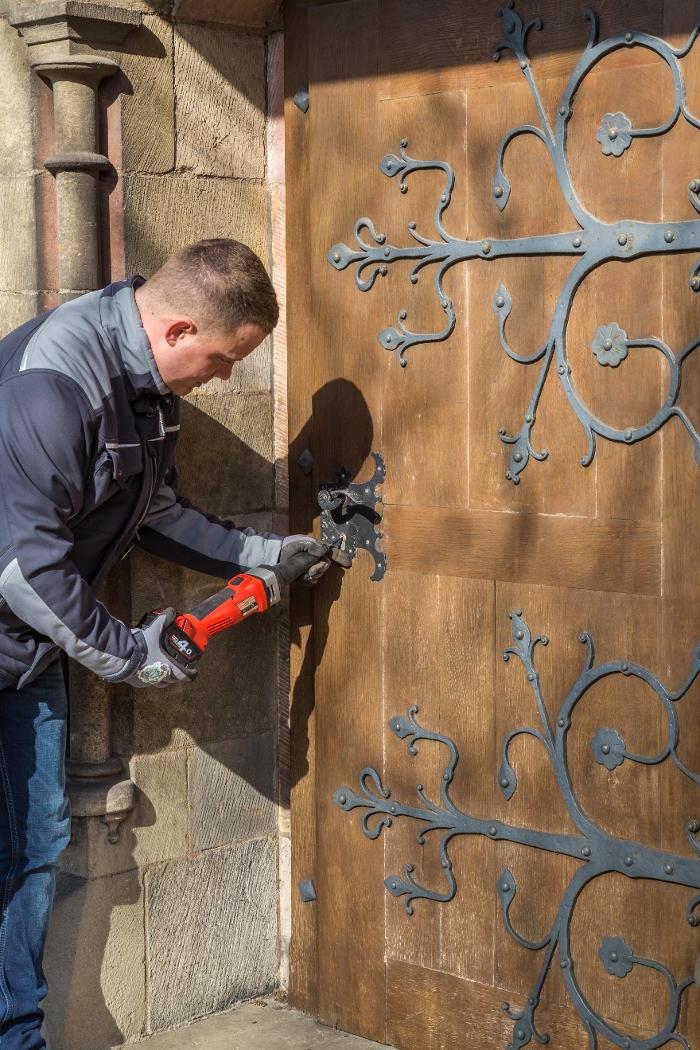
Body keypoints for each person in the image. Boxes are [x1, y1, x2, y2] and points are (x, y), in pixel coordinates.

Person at [0, 238, 328, 1049]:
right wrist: (131, 653)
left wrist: (264, 555)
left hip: (24, 659)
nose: (220, 379)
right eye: (221, 360)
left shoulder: (148, 390)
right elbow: (22, 566)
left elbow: (155, 511)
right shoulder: (54, 387)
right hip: (21, 626)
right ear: (180, 329)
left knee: (34, 847)